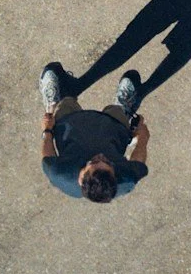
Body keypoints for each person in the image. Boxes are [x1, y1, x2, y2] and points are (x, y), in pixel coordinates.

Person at [39, 61, 148, 202]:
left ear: (81, 178)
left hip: (70, 126)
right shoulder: (125, 180)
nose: (101, 155)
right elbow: (138, 163)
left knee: (65, 105)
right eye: (108, 163)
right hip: (113, 130)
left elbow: (48, 156)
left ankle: (54, 103)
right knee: (117, 112)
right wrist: (142, 138)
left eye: (94, 161)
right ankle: (123, 108)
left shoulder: (59, 173)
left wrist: (47, 129)